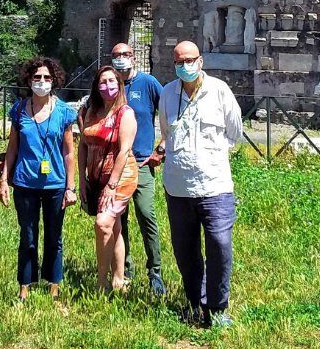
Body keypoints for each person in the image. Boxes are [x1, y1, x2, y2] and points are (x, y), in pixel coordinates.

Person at [158, 41, 243, 329]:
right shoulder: (167, 94)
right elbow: (166, 132)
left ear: (201, 61)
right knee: (185, 250)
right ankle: (195, 303)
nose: (185, 66)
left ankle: (217, 308)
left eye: (190, 60)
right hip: (178, 187)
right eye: (179, 61)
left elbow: (234, 132)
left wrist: (210, 156)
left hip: (215, 185)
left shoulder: (219, 90)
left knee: (220, 244)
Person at [0, 57, 78, 303]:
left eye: (47, 77)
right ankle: (25, 286)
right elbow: (12, 148)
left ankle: (54, 287)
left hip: (55, 184)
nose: (42, 81)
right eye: (37, 77)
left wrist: (71, 187)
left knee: (54, 237)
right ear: (29, 80)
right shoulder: (19, 110)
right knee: (28, 237)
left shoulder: (64, 111)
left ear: (54, 81)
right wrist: (4, 180)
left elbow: (69, 152)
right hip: (25, 183)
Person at [110, 42, 167, 296]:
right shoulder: (110, 85)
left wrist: (161, 149)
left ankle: (155, 271)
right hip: (115, 164)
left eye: (125, 54)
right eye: (116, 55)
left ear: (133, 57)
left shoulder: (148, 83)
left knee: (146, 214)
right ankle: (125, 269)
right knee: (119, 219)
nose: (121, 58)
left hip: (142, 161)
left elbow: (170, 113)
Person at [77, 65, 138, 292]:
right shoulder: (90, 112)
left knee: (103, 224)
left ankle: (102, 282)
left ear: (119, 85)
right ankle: (119, 279)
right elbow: (83, 145)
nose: (108, 86)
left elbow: (124, 151)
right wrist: (82, 179)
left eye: (112, 81)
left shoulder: (125, 113)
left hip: (120, 176)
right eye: (103, 82)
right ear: (96, 86)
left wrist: (111, 185)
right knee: (115, 227)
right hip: (95, 175)